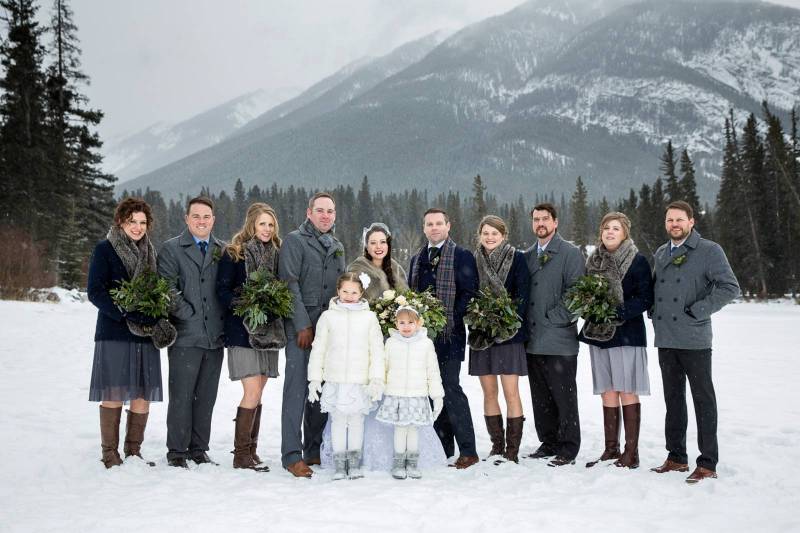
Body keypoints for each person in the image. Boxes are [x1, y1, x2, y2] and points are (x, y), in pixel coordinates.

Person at [650, 201, 740, 484]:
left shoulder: (709, 250)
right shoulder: (662, 252)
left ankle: (707, 462)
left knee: (703, 400)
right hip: (666, 338)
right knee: (673, 400)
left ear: (691, 222)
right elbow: (657, 287)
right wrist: (654, 311)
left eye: (679, 220)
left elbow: (730, 287)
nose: (674, 224)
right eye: (669, 220)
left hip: (694, 338)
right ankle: (676, 457)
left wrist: (698, 309)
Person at [88, 197, 172, 468]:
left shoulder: (150, 252)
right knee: (113, 391)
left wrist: (156, 312)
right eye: (132, 222)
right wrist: (125, 312)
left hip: (144, 331)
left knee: (142, 392)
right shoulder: (105, 249)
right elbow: (96, 292)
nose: (137, 227)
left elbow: (158, 289)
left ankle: (133, 451)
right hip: (114, 330)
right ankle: (110, 453)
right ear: (120, 222)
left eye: (142, 222)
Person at [278, 192, 345, 477]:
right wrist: (302, 325)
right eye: (320, 210)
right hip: (301, 328)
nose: (325, 216)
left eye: (330, 211)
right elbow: (289, 283)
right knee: (296, 391)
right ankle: (291, 454)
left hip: (328, 328)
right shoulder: (295, 241)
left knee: (320, 390)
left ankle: (313, 449)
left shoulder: (338, 245)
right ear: (309, 213)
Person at [579, 212, 653, 469]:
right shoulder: (593, 260)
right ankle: (611, 449)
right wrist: (588, 307)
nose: (610, 232)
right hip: (599, 334)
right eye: (606, 228)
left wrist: (617, 312)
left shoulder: (637, 260)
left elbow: (645, 298)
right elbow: (585, 291)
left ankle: (631, 453)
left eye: (616, 229)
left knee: (626, 389)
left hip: (627, 333)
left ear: (625, 233)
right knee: (608, 390)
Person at [217, 203, 286, 471]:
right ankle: (241, 455)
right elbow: (222, 292)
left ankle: (251, 450)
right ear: (251, 225)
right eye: (262, 224)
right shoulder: (235, 254)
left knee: (260, 392)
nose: (267, 229)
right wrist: (248, 306)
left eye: (271, 225)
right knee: (252, 390)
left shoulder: (277, 255)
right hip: (242, 331)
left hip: (268, 332)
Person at [408, 208, 479, 469]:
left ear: (448, 226)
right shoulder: (417, 259)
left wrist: (445, 319)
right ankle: (444, 447)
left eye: (439, 223)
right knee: (431, 391)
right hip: (423, 338)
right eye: (429, 224)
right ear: (424, 228)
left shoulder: (462, 256)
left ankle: (468, 450)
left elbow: (469, 293)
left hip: (451, 335)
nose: (434, 228)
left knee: (450, 389)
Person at [157, 196, 225, 468]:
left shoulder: (222, 250)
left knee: (206, 396)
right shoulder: (172, 249)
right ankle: (177, 450)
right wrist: (189, 314)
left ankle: (199, 448)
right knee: (182, 395)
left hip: (214, 337)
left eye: (206, 216)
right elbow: (166, 288)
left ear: (213, 220)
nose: (201, 221)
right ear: (186, 219)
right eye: (195, 216)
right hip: (186, 335)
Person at [307, 273, 385, 480]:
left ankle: (354, 463)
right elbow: (319, 349)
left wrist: (376, 378)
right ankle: (340, 464)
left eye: (354, 292)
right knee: (338, 422)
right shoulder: (328, 317)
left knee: (357, 422)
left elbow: (376, 350)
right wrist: (315, 378)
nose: (349, 296)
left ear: (361, 293)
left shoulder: (369, 318)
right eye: (345, 292)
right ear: (338, 291)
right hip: (336, 380)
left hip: (360, 381)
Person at [524, 203, 585, 467]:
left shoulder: (570, 253)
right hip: (533, 340)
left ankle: (568, 447)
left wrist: (553, 319)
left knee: (564, 396)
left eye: (545, 219)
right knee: (541, 397)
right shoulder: (527, 255)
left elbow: (577, 293)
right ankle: (548, 441)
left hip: (560, 340)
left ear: (556, 222)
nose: (541, 223)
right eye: (536, 219)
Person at [468, 215, 530, 464]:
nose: (490, 237)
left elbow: (523, 294)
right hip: (482, 333)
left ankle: (512, 449)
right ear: (479, 235)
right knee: (489, 391)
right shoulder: (474, 260)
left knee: (510, 391)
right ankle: (497, 445)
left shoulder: (518, 258)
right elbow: (469, 292)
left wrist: (505, 320)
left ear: (504, 235)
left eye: (495, 233)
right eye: (486, 233)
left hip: (509, 333)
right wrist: (479, 317)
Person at [376, 306, 444, 479]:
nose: (406, 326)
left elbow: (433, 371)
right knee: (400, 429)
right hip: (396, 395)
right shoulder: (391, 343)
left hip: (416, 396)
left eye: (410, 322)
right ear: (396, 323)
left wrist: (437, 396)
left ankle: (412, 463)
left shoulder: (426, 344)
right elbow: (383, 368)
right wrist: (378, 387)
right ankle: (399, 463)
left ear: (419, 323)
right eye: (402, 322)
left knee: (413, 429)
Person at [347, 222, 409, 302]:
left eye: (382, 242)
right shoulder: (357, 269)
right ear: (367, 247)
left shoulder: (396, 268)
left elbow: (407, 296)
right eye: (373, 243)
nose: (378, 247)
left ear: (388, 245)